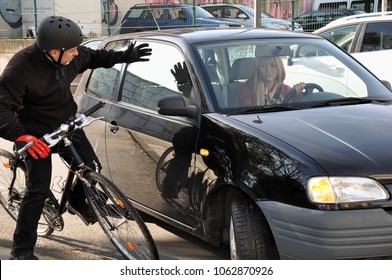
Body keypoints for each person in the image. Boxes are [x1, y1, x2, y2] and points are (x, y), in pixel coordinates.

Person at [0, 16, 152, 260]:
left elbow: (96, 57)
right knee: (37, 191)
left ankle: (77, 198)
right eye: (70, 51)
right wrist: (22, 136)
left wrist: (126, 55)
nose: (75, 54)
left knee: (91, 167)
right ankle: (21, 252)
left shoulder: (73, 55)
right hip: (34, 134)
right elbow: (2, 110)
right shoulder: (20, 69)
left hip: (65, 123)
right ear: (53, 51)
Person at [239, 56, 304, 106]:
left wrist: (297, 94)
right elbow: (249, 116)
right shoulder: (248, 90)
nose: (268, 70)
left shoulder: (286, 89)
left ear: (279, 68)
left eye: (273, 65)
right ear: (258, 69)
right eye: (263, 66)